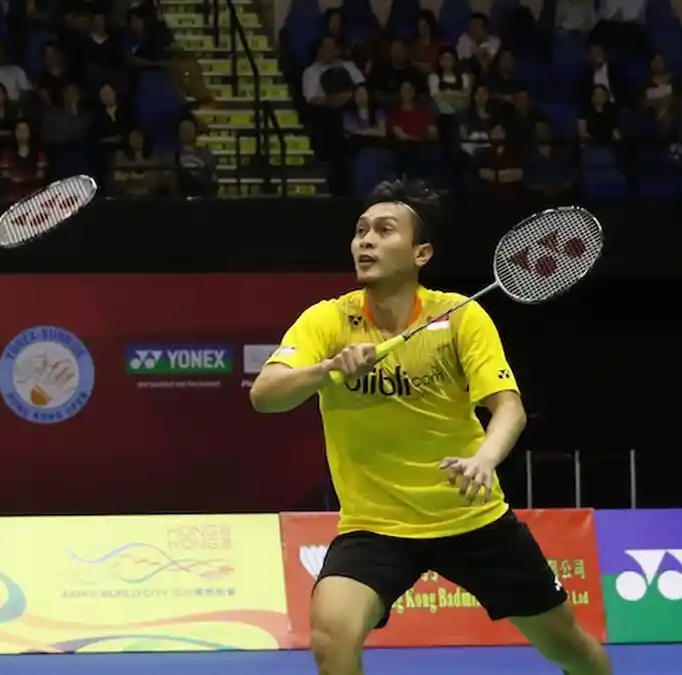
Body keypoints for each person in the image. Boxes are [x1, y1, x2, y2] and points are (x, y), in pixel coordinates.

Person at [248, 179, 613, 675]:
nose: (366, 241)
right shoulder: (327, 320)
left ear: (421, 253)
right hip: (375, 526)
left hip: (471, 517)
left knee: (567, 646)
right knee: (331, 636)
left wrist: (484, 459)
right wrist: (326, 369)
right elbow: (265, 397)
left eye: (383, 230)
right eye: (360, 231)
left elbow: (509, 408)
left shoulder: (461, 317)